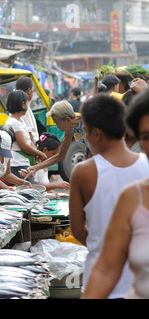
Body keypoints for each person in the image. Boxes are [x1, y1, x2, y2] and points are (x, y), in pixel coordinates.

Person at [69, 93, 149, 299]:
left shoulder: (83, 172)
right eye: (146, 137)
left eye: (85, 132)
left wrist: (100, 244)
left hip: (100, 274)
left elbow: (77, 229)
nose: (85, 138)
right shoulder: (139, 178)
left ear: (96, 133)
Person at [21, 100, 86, 180]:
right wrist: (35, 167)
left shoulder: (86, 123)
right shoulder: (69, 130)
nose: (57, 127)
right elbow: (60, 156)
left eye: (57, 124)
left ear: (67, 120)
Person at [5, 90, 47, 183]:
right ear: (23, 104)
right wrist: (40, 154)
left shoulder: (20, 121)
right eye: (27, 102)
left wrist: (35, 152)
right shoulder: (13, 123)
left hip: (24, 162)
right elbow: (23, 145)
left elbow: (28, 140)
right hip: (18, 164)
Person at [16, 77, 39, 143]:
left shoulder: (19, 105)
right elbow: (29, 132)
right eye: (32, 90)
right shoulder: (24, 109)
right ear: (29, 90)